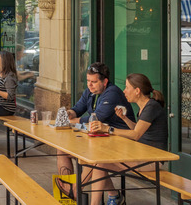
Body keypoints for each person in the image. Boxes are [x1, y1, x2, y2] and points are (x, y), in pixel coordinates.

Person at [83, 73, 168, 205]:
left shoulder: (151, 107)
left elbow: (136, 135)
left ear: (137, 91)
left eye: (127, 87)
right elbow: (137, 129)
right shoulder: (144, 107)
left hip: (152, 159)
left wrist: (108, 129)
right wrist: (124, 118)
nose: (124, 91)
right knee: (98, 161)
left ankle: (81, 192)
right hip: (142, 154)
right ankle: (108, 197)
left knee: (99, 163)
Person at [56, 62, 135, 200]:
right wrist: (69, 113)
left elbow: (97, 118)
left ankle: (74, 190)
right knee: (62, 150)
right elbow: (78, 108)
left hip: (121, 139)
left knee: (92, 159)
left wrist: (73, 121)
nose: (89, 85)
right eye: (88, 81)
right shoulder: (90, 92)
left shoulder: (113, 93)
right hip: (102, 137)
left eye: (93, 82)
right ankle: (69, 194)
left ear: (104, 81)